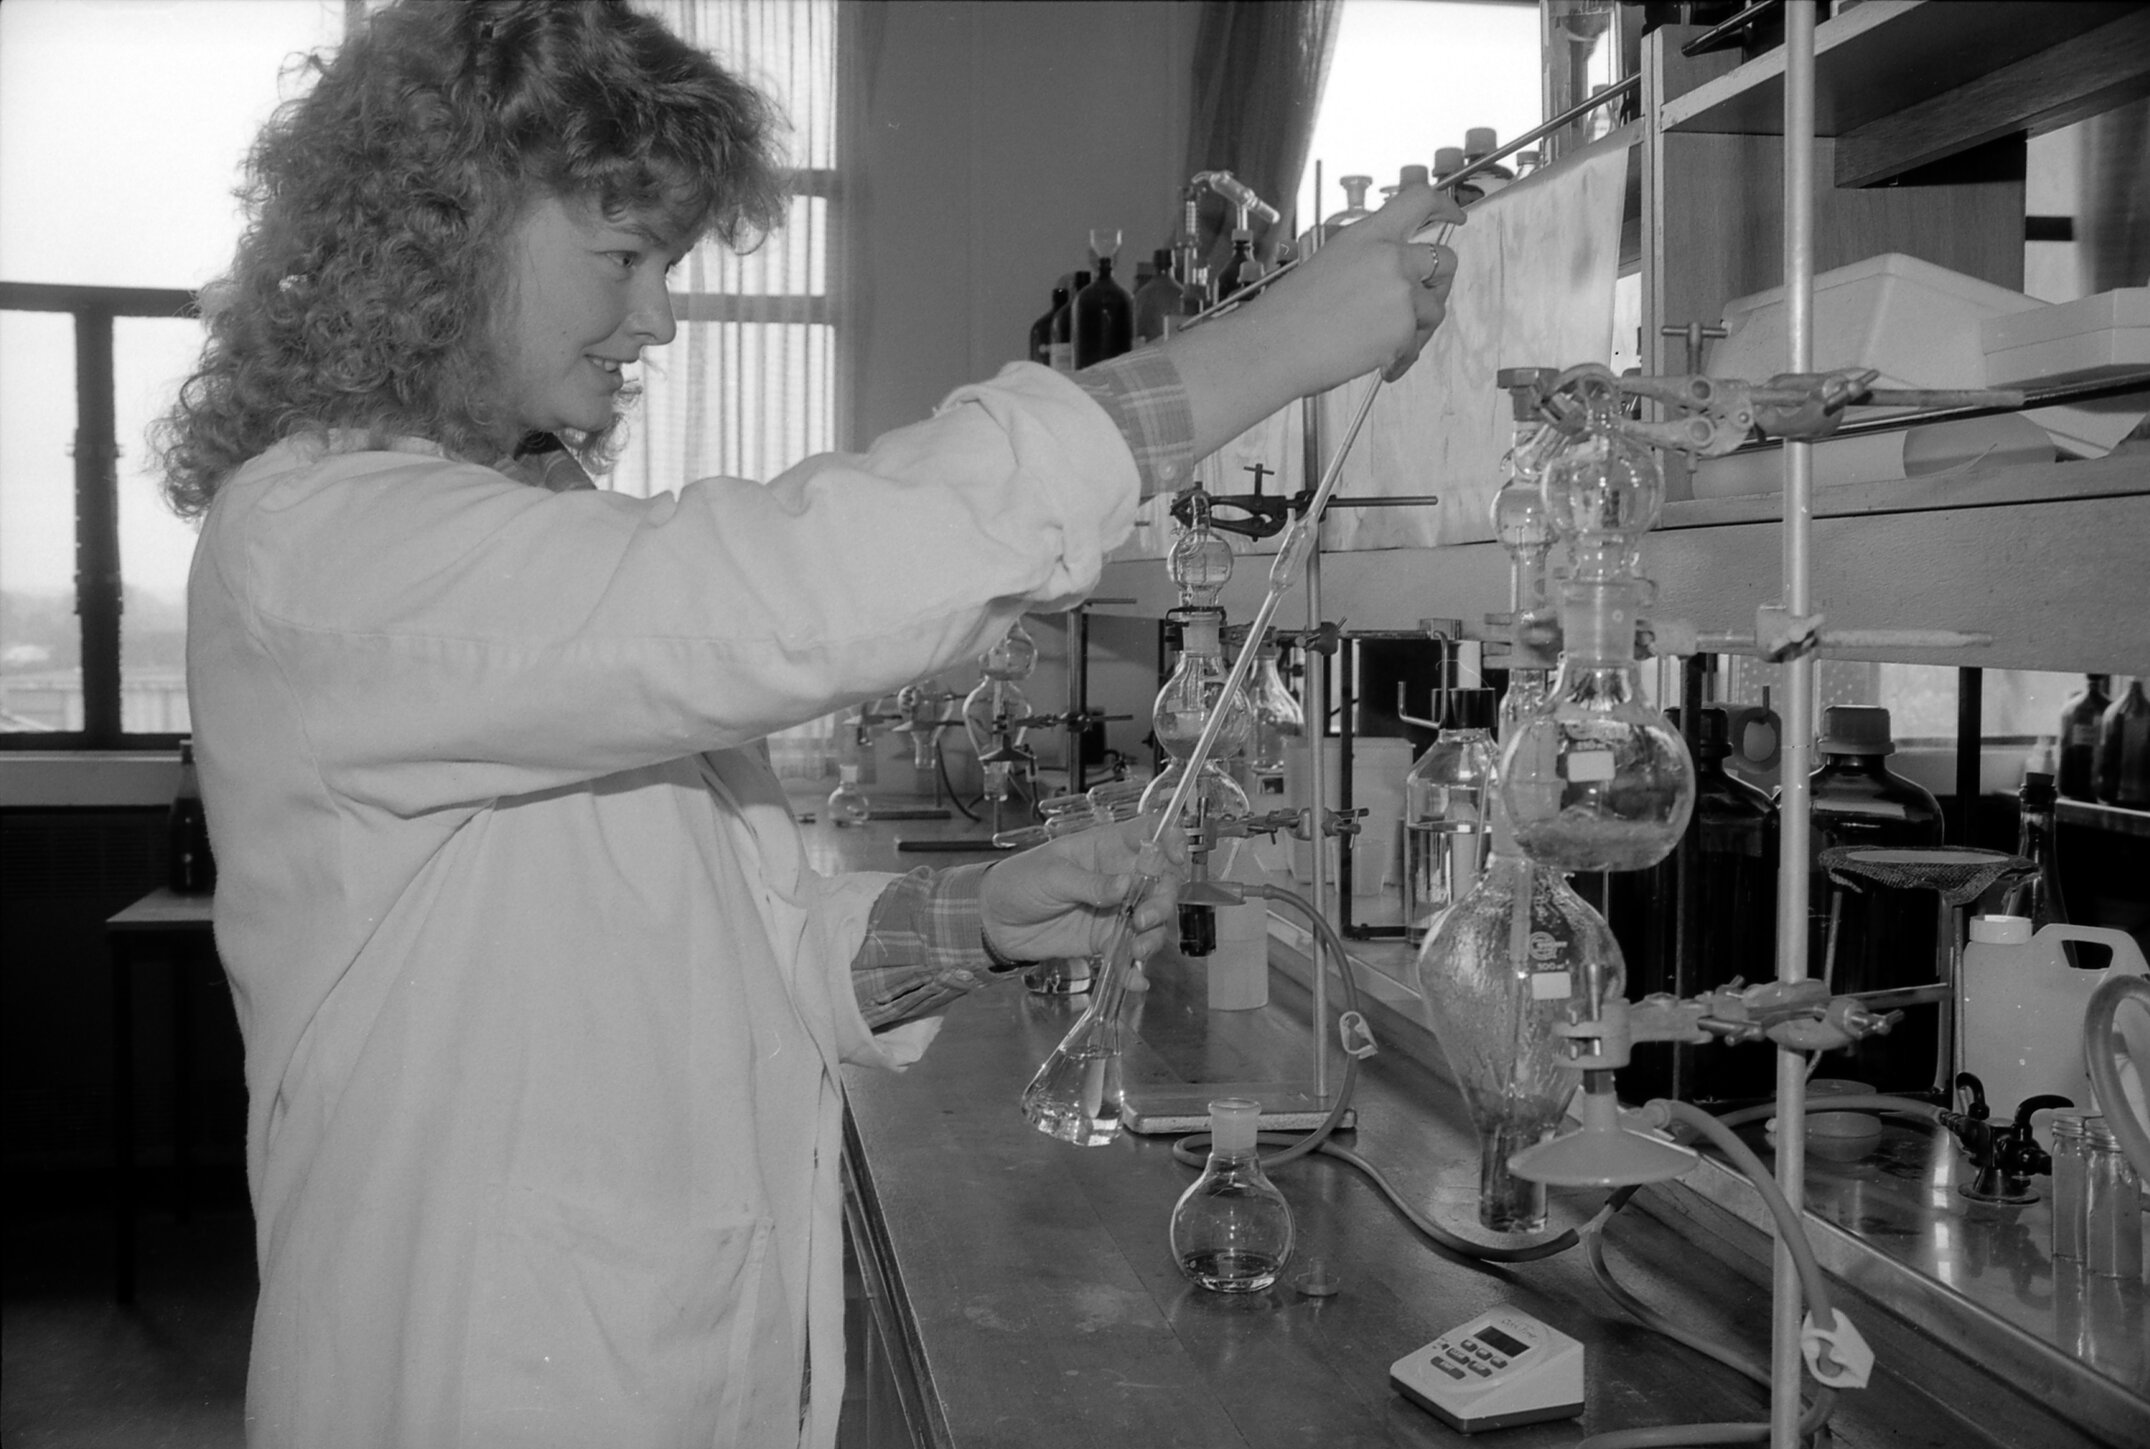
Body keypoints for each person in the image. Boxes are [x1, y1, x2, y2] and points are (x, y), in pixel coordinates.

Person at [155, 3, 1462, 1446]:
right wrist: (1261, 351)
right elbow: (780, 587)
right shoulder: (325, 543)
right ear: (445, 232)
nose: (656, 314)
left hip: (645, 1355)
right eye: (622, 253)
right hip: (480, 1371)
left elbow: (726, 950)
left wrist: (969, 920)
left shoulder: (521, 528)